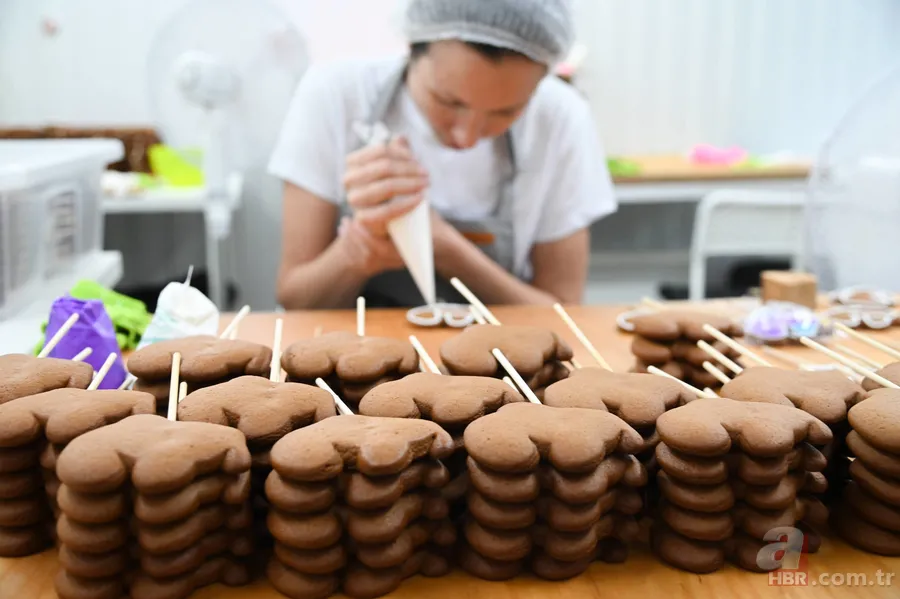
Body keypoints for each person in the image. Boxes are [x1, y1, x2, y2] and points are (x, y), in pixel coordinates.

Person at [270, 0, 617, 309]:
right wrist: (355, 253)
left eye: (506, 112)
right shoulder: (338, 95)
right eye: (448, 102)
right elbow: (295, 297)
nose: (466, 138)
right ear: (411, 49)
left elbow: (566, 314)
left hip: (503, 364)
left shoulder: (560, 119)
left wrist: (446, 249)